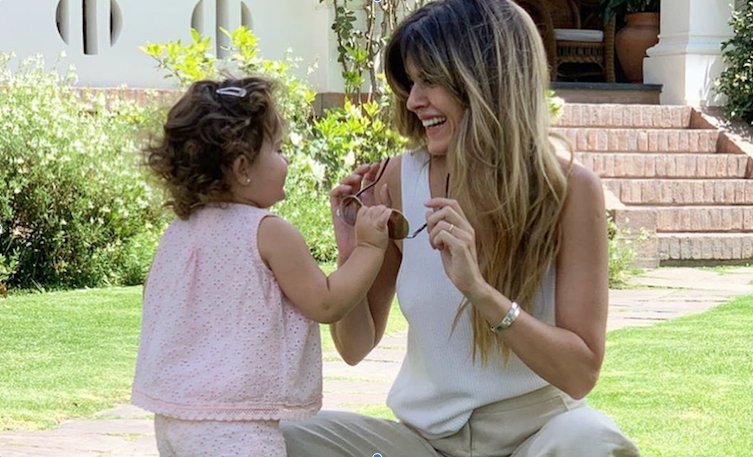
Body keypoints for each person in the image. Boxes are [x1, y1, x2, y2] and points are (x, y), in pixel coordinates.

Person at [282, 0, 640, 455]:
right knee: (276, 438)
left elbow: (580, 373)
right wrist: (353, 251)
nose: (413, 101)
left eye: (429, 80)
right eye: (410, 82)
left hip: (536, 438)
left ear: (485, 81)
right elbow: (355, 348)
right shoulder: (397, 178)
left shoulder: (567, 189)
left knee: (592, 441)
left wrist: (480, 291)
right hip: (424, 442)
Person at [130, 77, 393, 457]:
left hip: (175, 419)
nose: (287, 160)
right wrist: (369, 247)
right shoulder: (269, 232)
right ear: (242, 168)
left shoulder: (178, 232)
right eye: (279, 149)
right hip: (237, 429)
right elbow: (326, 303)